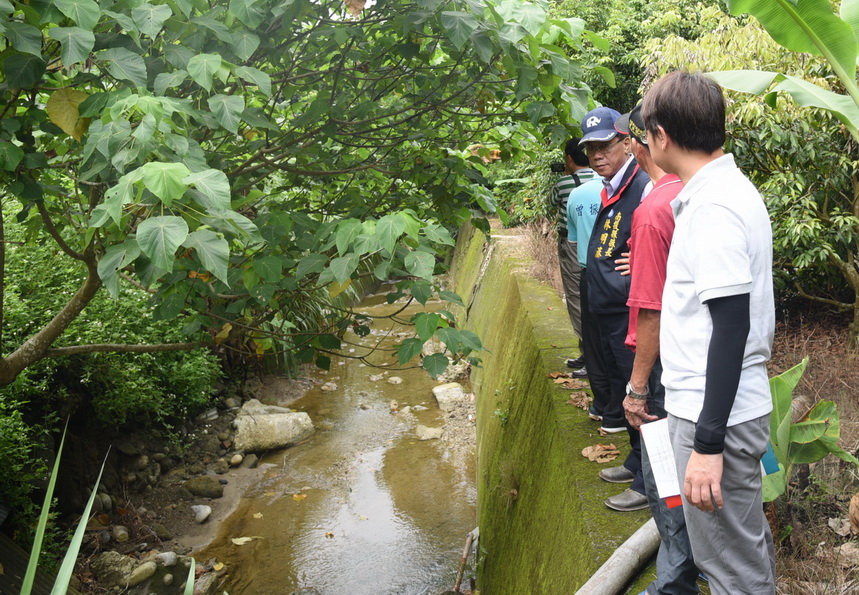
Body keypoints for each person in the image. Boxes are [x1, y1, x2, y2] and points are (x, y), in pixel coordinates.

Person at [642, 71, 776, 594]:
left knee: (729, 569)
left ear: (661, 136)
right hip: (717, 408)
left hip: (712, 412)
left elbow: (731, 325)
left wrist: (707, 444)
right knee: (738, 550)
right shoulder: (720, 193)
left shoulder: (714, 208)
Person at [618, 103, 699, 595]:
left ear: (643, 142)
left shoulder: (651, 212)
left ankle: (674, 583)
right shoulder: (694, 195)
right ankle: (701, 563)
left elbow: (652, 311)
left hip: (667, 366)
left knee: (664, 479)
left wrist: (636, 387)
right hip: (701, 360)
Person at [578, 106, 651, 512]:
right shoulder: (610, 185)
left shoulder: (642, 186)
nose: (597, 155)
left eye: (605, 145)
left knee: (639, 395)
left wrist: (641, 262)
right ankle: (635, 460)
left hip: (630, 312)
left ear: (627, 142)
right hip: (606, 307)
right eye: (591, 148)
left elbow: (659, 238)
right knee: (621, 393)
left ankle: (647, 482)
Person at [548, 139, 598, 377]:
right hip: (599, 243)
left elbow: (551, 202)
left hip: (572, 243)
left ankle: (590, 355)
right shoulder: (600, 180)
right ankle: (586, 352)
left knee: (576, 298)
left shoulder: (564, 183)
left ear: (569, 158)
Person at [565, 154, 605, 418]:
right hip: (620, 272)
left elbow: (573, 239)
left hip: (589, 272)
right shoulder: (632, 189)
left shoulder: (575, 195)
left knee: (594, 340)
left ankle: (603, 405)